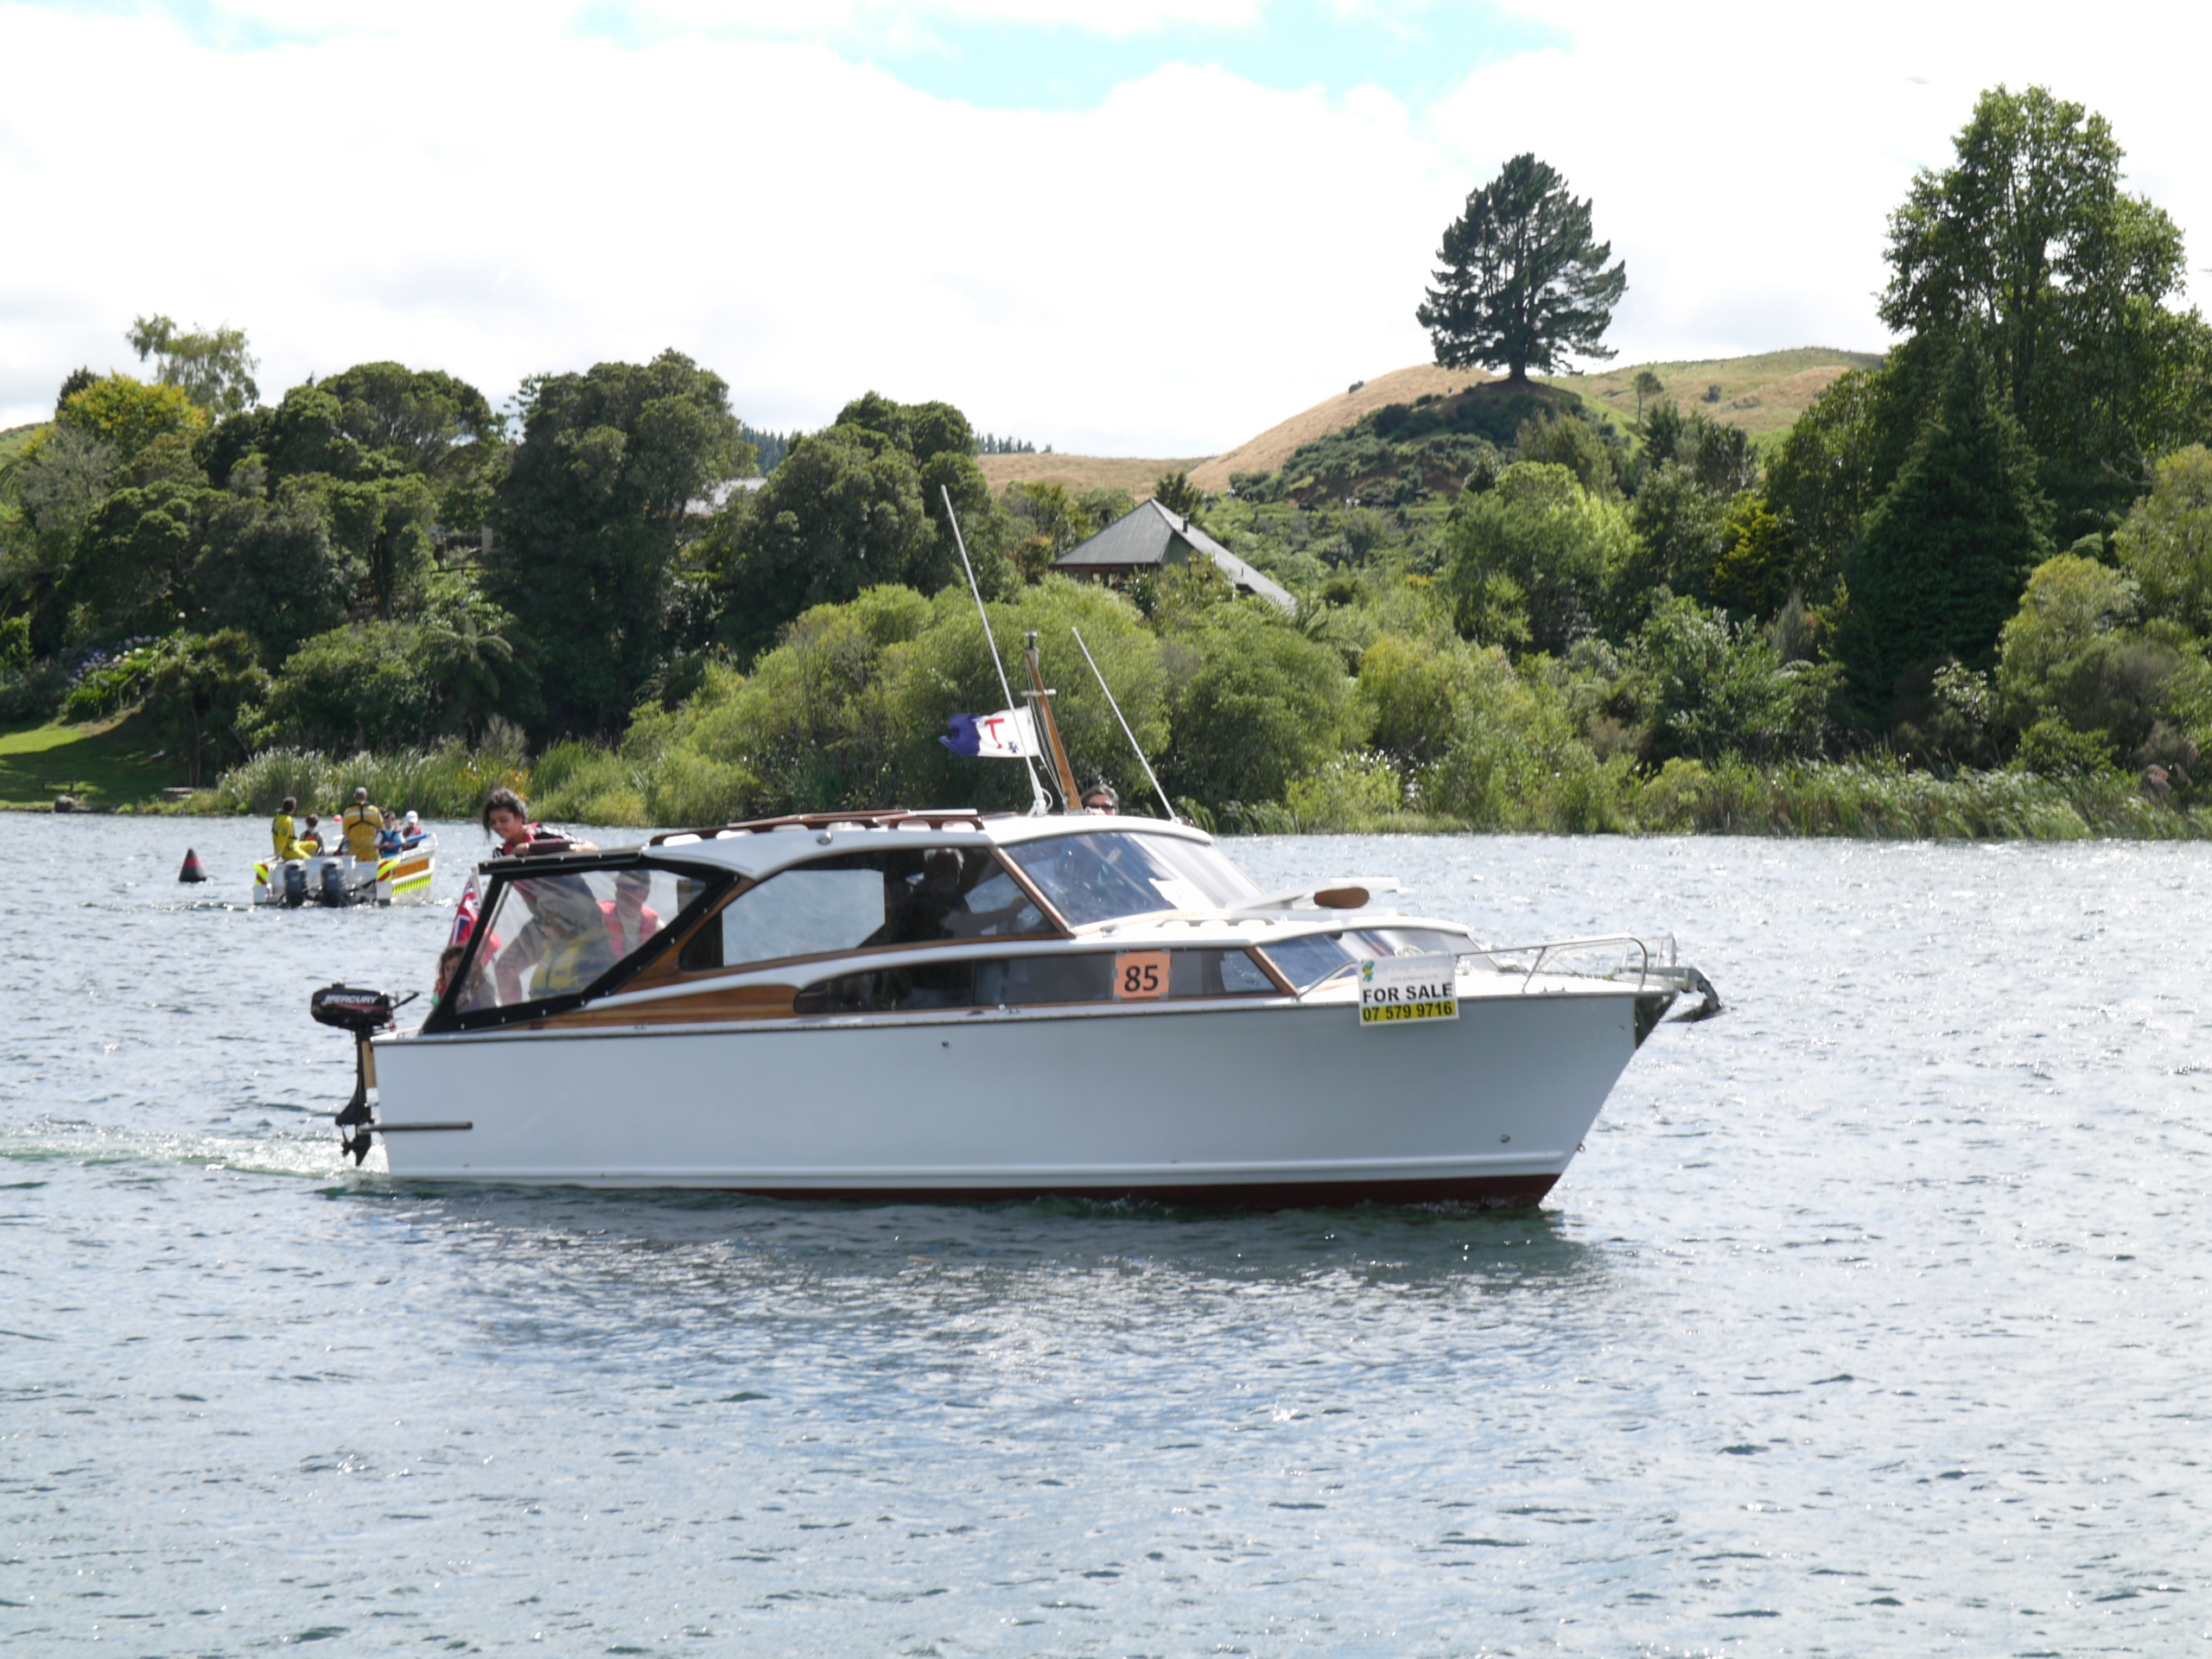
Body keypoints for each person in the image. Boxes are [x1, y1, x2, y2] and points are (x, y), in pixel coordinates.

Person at [601, 869, 662, 957]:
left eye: (630, 888)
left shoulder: (657, 925)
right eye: (619, 887)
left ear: (646, 892)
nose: (622, 892)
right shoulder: (599, 918)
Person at [340, 786, 385, 862]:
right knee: (373, 868)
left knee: (354, 868)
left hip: (355, 848)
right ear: (367, 797)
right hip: (371, 848)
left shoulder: (348, 812)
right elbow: (381, 826)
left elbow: (346, 831)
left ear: (355, 797)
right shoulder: (375, 810)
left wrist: (353, 838)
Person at [270, 796, 310, 861]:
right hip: (288, 849)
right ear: (293, 809)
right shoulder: (286, 821)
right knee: (309, 859)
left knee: (314, 845)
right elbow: (282, 839)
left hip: (292, 844)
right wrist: (278, 855)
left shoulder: (279, 816)